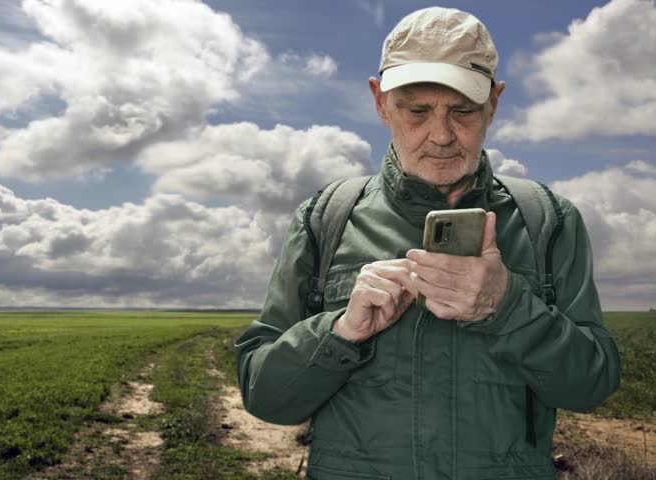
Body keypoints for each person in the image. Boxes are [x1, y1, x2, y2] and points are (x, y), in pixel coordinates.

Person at [234, 6, 620, 480]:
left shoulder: (549, 220)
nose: (440, 135)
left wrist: (508, 307)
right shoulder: (324, 218)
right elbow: (265, 397)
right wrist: (339, 332)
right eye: (417, 111)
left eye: (462, 111)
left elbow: (591, 386)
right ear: (380, 102)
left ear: (494, 105)